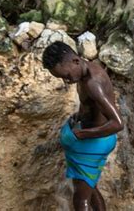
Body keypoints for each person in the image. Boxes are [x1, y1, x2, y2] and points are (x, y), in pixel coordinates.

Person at [42, 41, 124, 211]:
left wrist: (82, 135)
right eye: (61, 78)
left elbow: (117, 124)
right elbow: (90, 104)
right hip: (94, 140)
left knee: (80, 199)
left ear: (76, 61)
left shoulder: (92, 84)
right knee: (90, 188)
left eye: (66, 75)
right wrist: (80, 116)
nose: (66, 80)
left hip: (95, 143)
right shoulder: (86, 71)